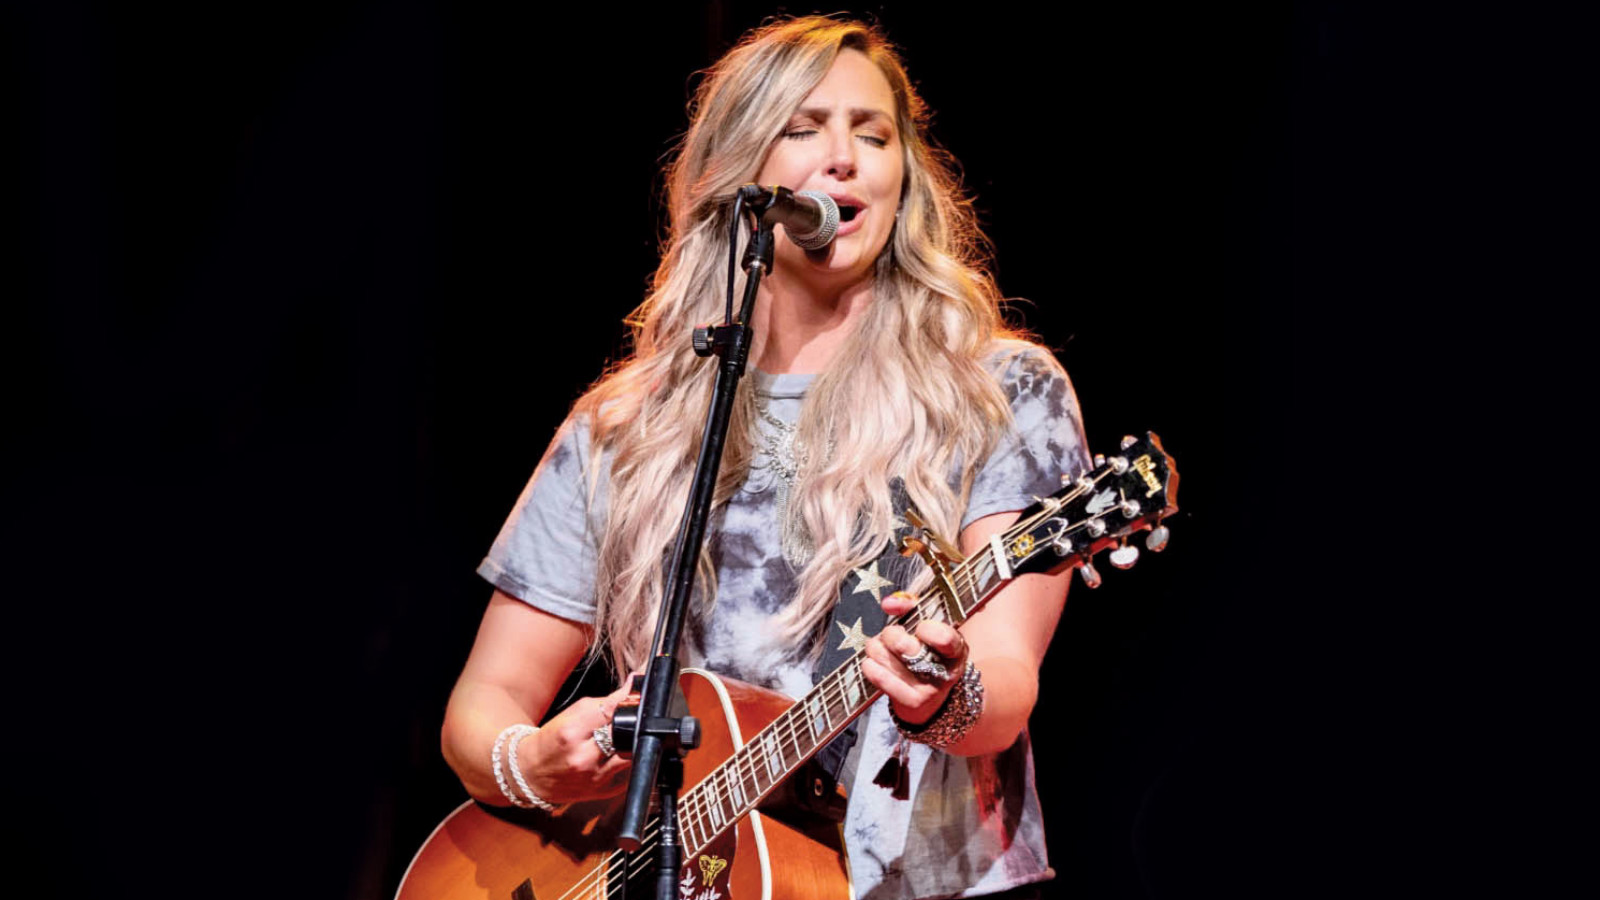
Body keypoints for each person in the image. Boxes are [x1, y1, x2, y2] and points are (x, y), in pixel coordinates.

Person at [440, 16, 1089, 900]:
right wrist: (536, 764)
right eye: (803, 128)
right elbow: (483, 706)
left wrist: (945, 696)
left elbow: (1005, 690)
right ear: (738, 176)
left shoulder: (994, 389)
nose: (846, 158)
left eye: (874, 134)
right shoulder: (624, 425)